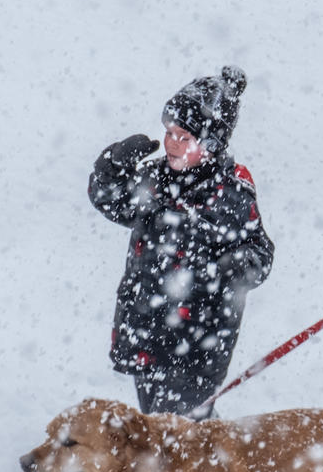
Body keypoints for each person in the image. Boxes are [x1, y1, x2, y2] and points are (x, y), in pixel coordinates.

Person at [88, 65, 274, 420]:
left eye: (184, 137)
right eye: (169, 132)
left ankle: (202, 448)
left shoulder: (231, 192)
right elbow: (113, 202)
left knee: (178, 431)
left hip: (197, 340)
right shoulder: (155, 177)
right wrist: (111, 169)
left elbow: (260, 252)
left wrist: (233, 267)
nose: (171, 142)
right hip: (146, 327)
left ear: (212, 145)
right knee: (158, 421)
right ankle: (201, 443)